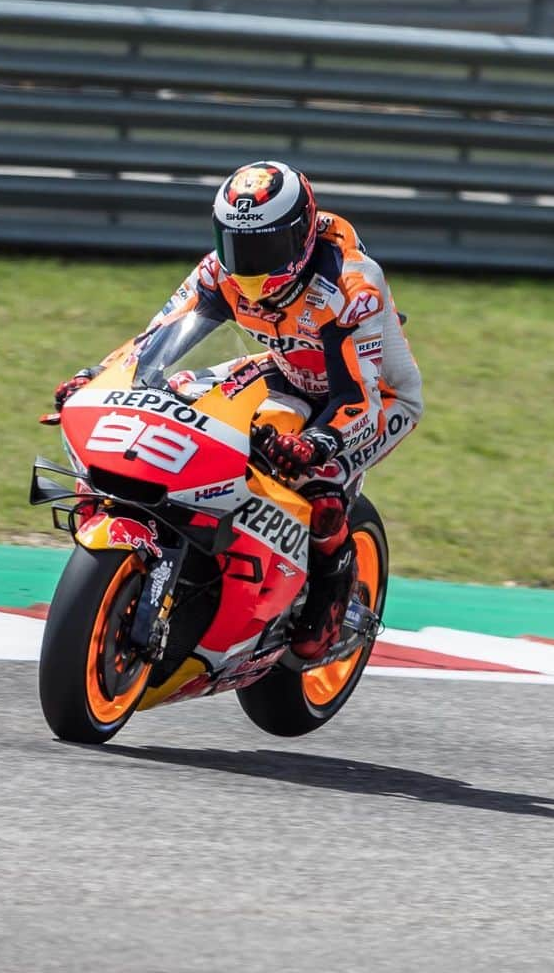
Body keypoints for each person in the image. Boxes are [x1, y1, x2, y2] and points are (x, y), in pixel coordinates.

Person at [54, 160, 423, 659]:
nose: (246, 264)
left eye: (263, 247)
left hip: (374, 399)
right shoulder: (217, 273)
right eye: (236, 245)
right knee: (176, 394)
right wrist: (95, 377)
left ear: (300, 236)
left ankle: (330, 602)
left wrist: (315, 442)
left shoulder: (351, 287)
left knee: (319, 486)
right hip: (287, 367)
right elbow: (154, 342)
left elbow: (357, 399)